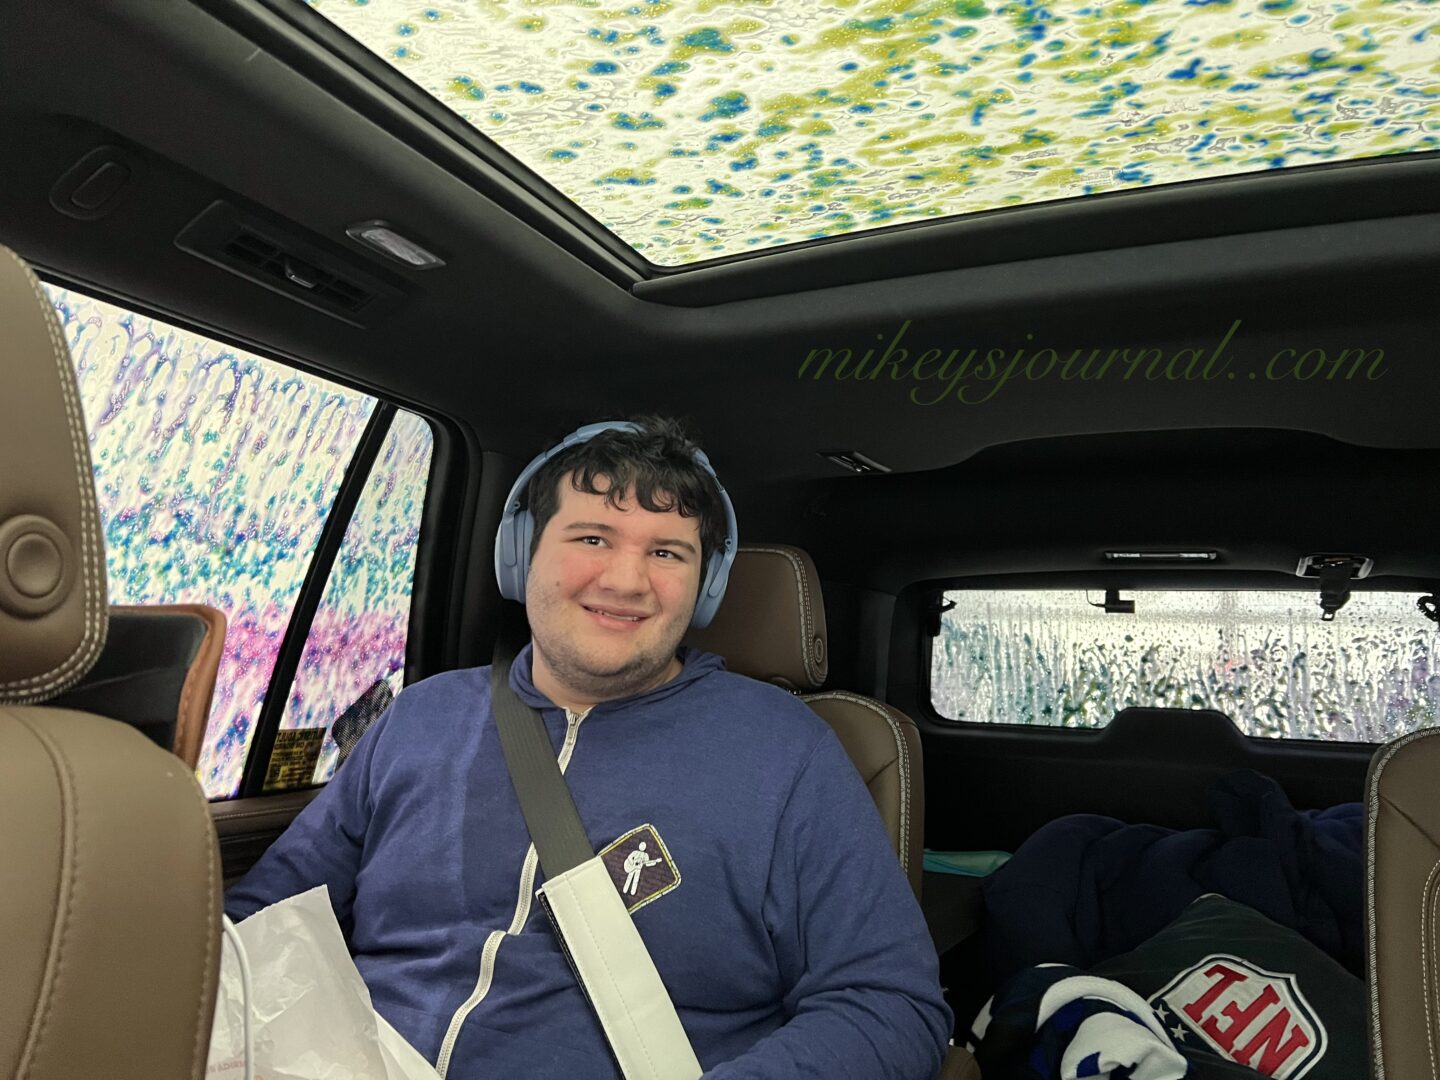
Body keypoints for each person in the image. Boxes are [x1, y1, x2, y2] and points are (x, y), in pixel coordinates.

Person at [226, 416, 952, 1079]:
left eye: (667, 551)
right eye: (593, 537)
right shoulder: (420, 717)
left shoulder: (787, 753)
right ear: (522, 555)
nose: (626, 580)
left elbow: (889, 1006)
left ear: (703, 588)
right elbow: (262, 922)